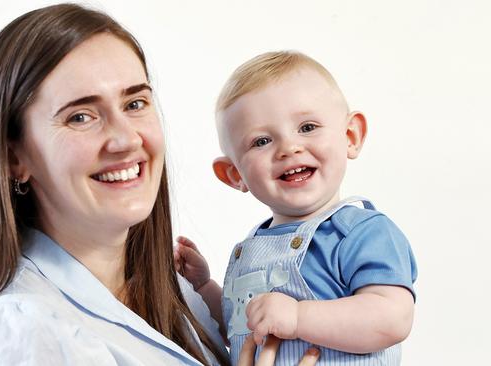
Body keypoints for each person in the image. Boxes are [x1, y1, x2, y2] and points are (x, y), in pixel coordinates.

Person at [0, 4, 233, 365]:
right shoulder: (25, 331)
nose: (126, 139)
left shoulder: (182, 299)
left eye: (135, 103)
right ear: (14, 159)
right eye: (81, 116)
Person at [175, 51, 418, 365]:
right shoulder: (252, 248)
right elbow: (243, 328)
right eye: (262, 141)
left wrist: (299, 317)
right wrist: (204, 288)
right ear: (235, 174)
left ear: (350, 136)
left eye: (307, 127)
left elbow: (392, 318)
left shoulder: (361, 232)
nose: (289, 148)